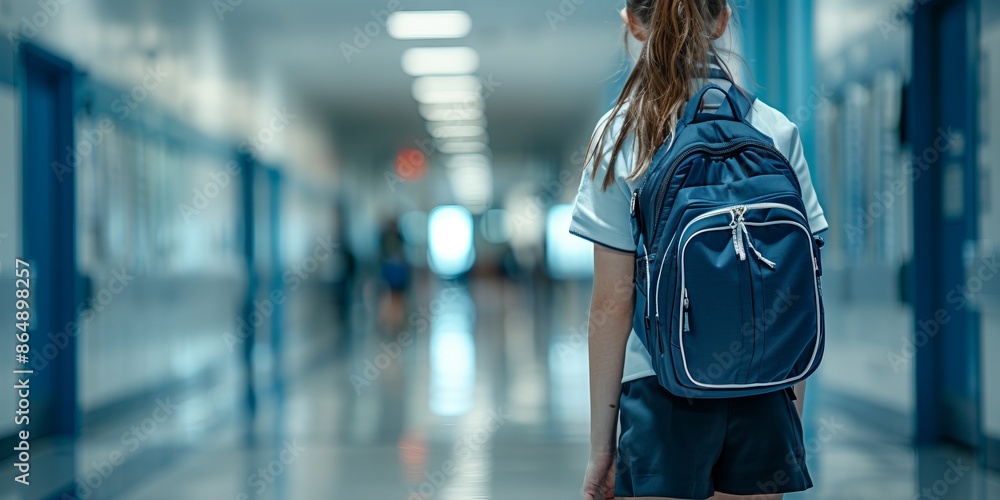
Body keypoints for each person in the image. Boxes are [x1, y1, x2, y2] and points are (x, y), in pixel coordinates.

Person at [570, 1, 829, 499]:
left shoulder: (621, 134)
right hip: (764, 390)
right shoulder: (774, 129)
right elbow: (802, 285)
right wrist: (788, 414)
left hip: (661, 393)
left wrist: (601, 449)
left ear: (632, 22)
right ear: (723, 18)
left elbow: (611, 303)